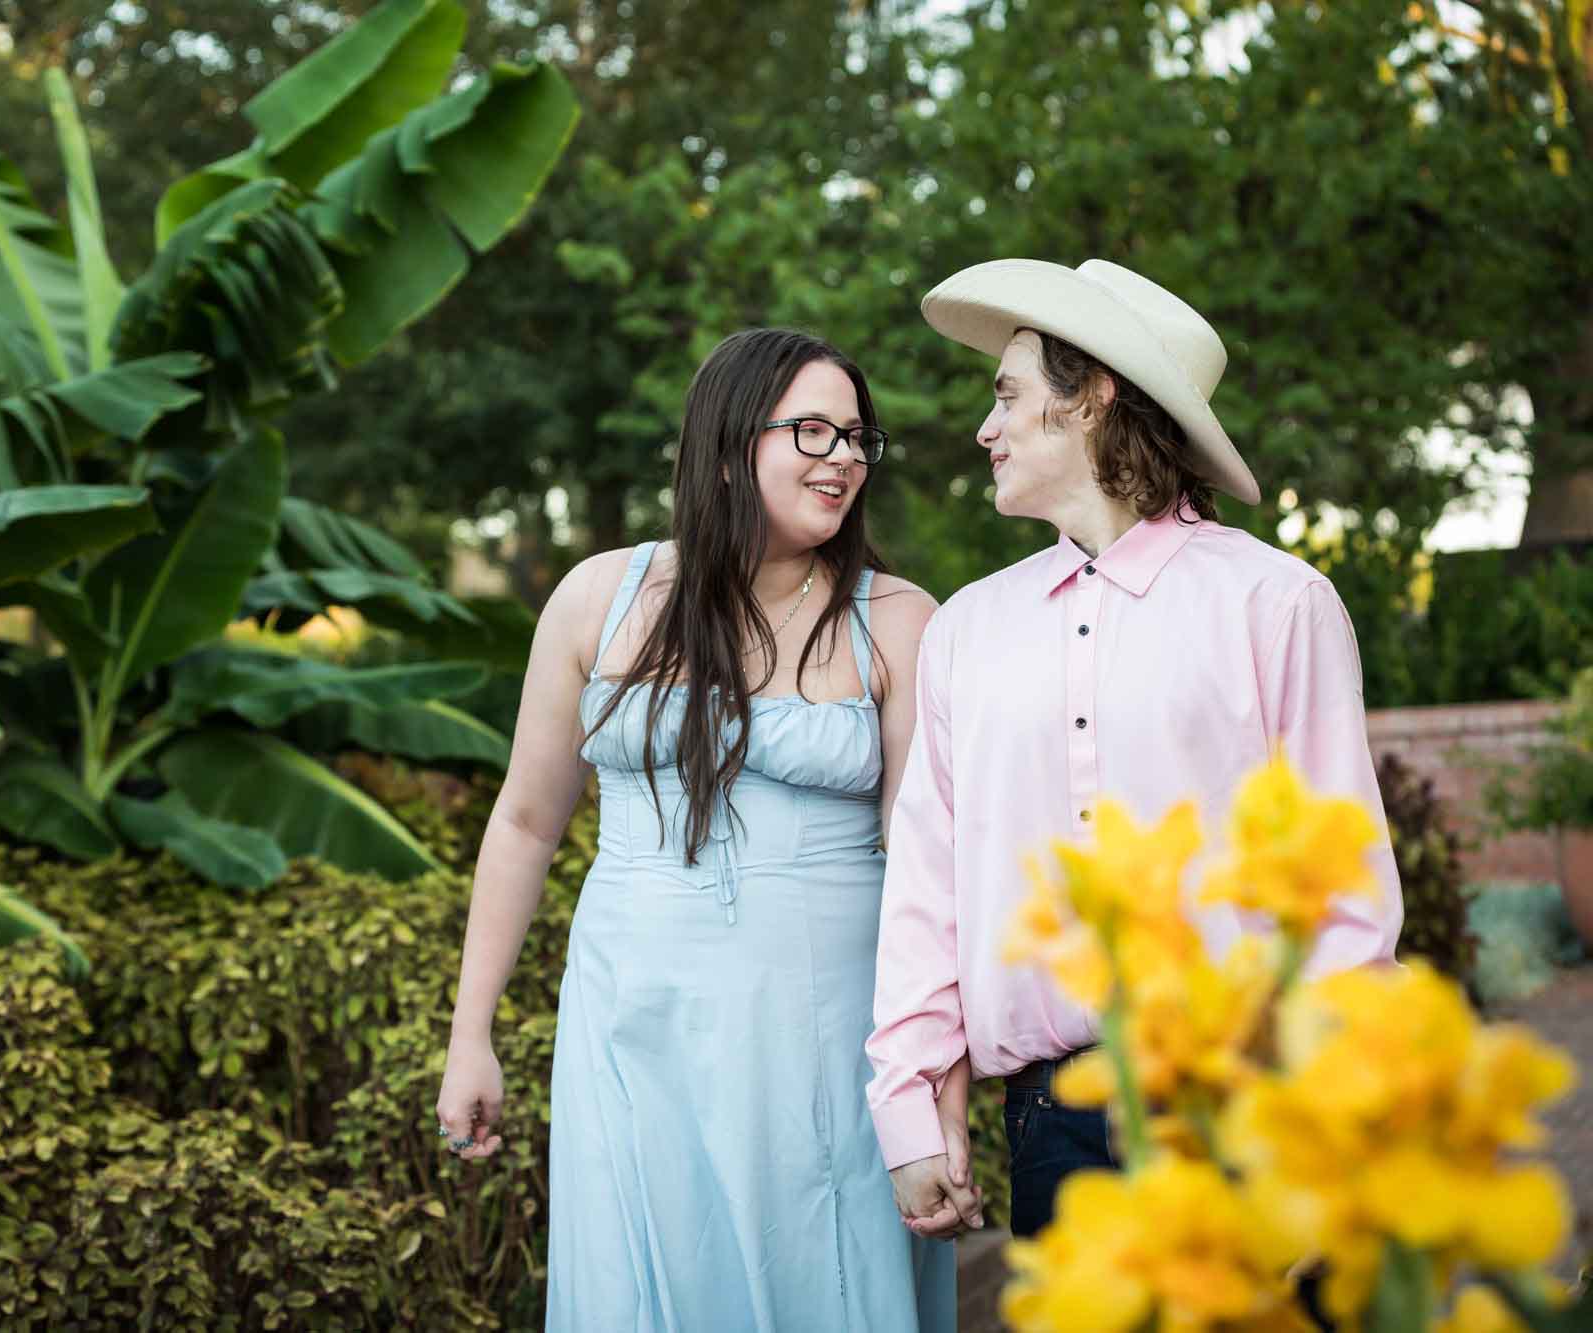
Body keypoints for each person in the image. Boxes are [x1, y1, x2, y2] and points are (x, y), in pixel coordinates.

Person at [435, 328, 963, 1330]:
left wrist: (933, 1095)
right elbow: (522, 822)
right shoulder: (600, 597)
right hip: (631, 1027)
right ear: (726, 445)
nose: (843, 455)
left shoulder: (895, 621)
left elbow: (930, 879)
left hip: (824, 1038)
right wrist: (472, 1036)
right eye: (811, 430)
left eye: (856, 436)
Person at [867, 259, 1404, 1241]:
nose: (983, 429)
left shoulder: (1275, 604)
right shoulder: (966, 632)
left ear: (1091, 399)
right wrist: (910, 1106)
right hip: (1049, 1123)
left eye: (1007, 396)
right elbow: (927, 885)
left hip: (1250, 1106)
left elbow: (1343, 890)